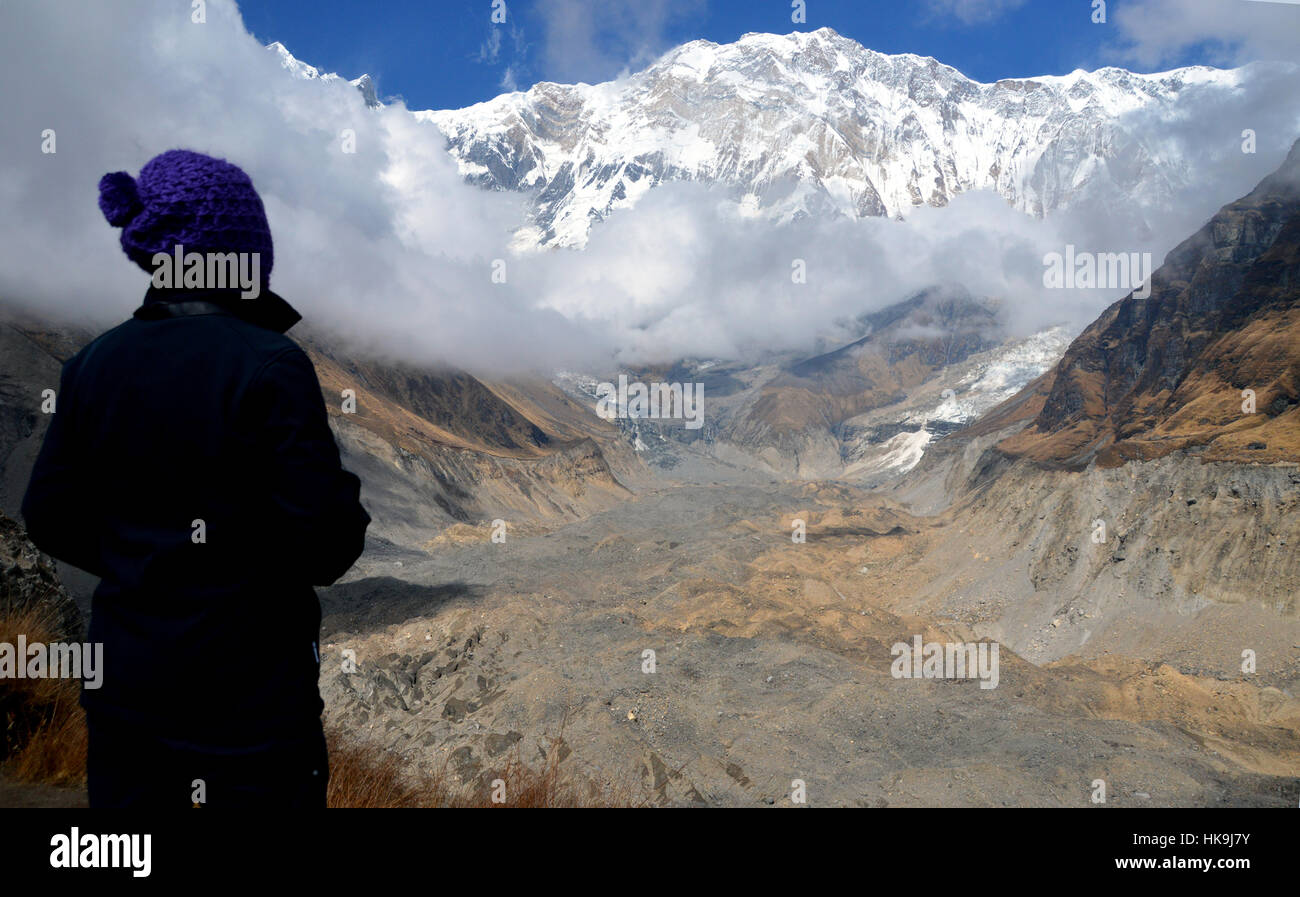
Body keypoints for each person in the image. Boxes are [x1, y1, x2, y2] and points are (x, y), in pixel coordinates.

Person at [21, 148, 370, 808]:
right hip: (254, 709)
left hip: (127, 694)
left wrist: (142, 555)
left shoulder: (91, 364)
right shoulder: (270, 362)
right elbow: (327, 543)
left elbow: (49, 511)